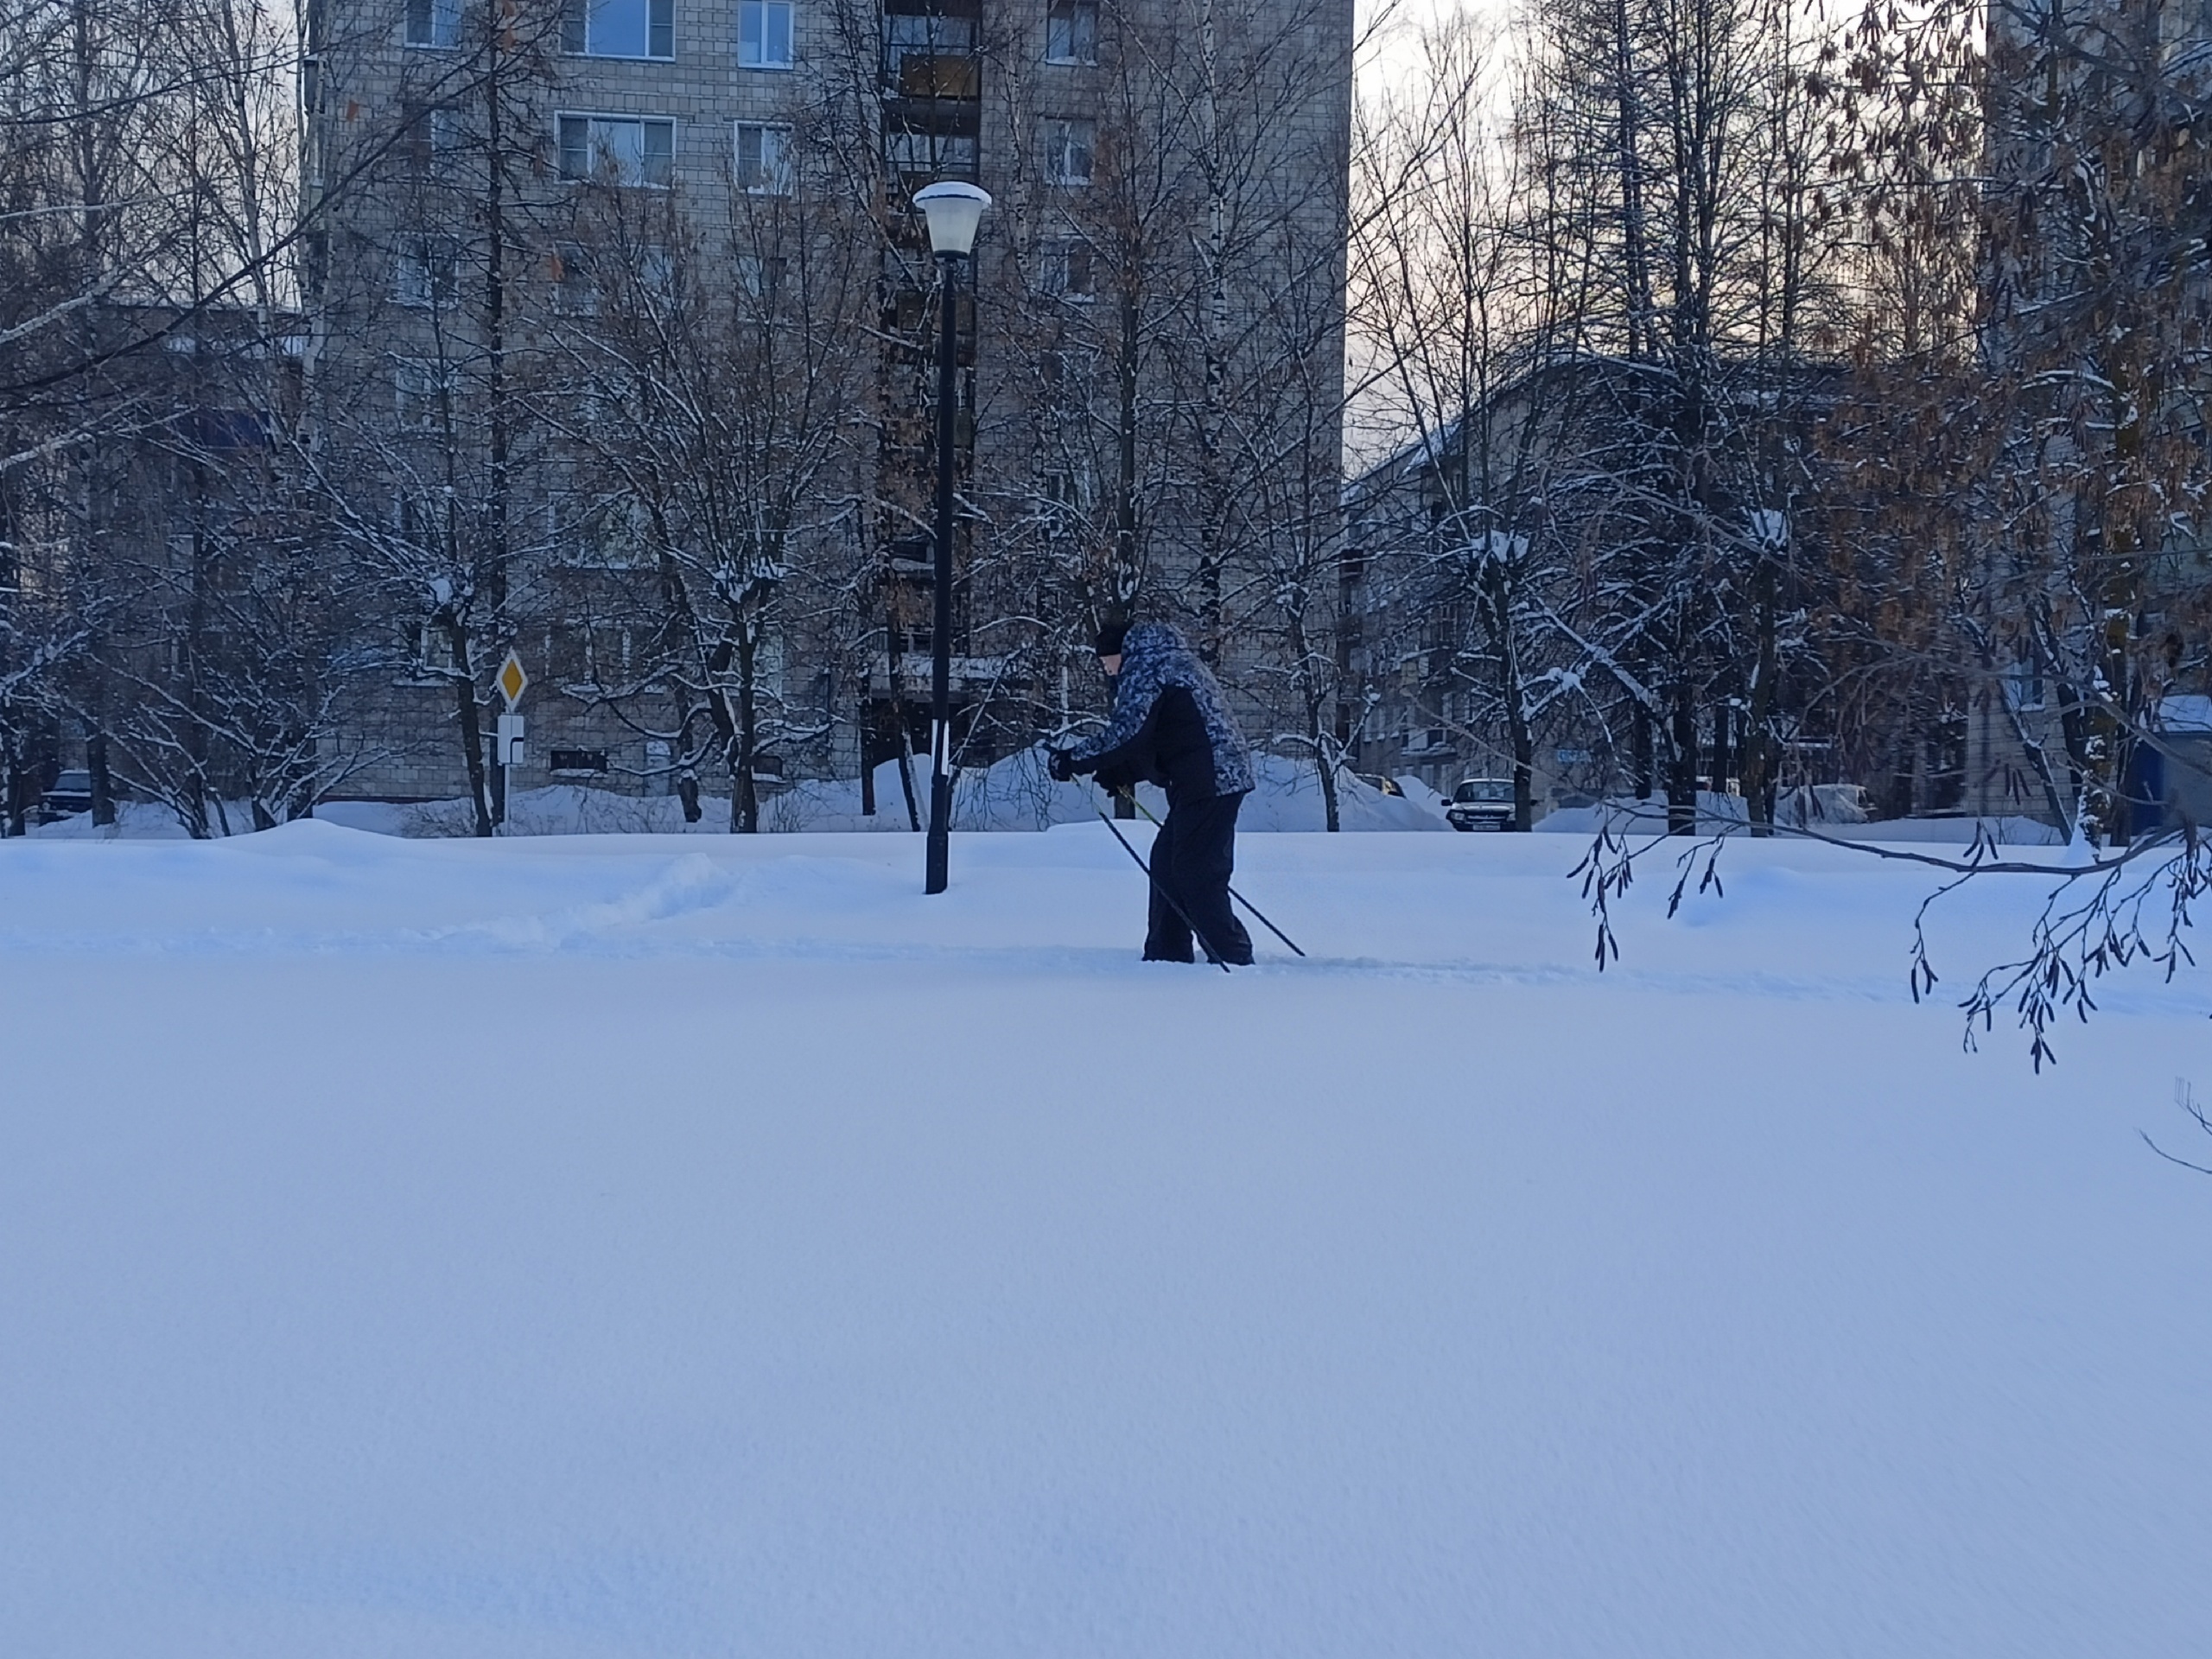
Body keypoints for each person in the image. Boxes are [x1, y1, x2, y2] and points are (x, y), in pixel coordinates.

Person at [1050, 620, 1256, 964]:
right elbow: (1165, 731)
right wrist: (1120, 771)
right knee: (1167, 864)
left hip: (1212, 779)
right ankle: (1166, 955)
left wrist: (1072, 760)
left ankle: (1231, 955)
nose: (1106, 670)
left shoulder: (1146, 666)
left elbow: (1128, 731)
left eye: (1105, 662)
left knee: (1195, 872)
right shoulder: (1168, 659)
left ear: (1119, 653)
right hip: (1207, 778)